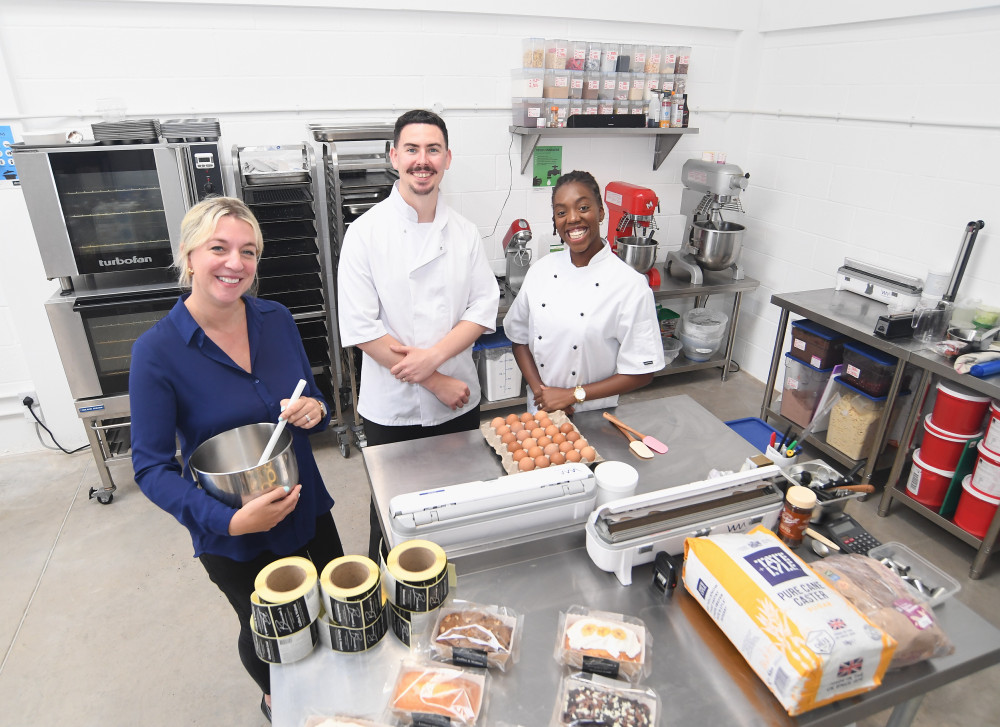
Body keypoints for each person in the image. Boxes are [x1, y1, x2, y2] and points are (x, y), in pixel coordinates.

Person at [129, 197, 343, 723]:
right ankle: (279, 704)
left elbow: (315, 399)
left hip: (306, 504)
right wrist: (229, 520)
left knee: (335, 612)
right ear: (189, 254)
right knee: (271, 635)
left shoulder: (276, 319)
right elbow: (150, 468)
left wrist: (317, 409)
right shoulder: (157, 352)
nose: (235, 263)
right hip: (233, 530)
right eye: (218, 248)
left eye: (248, 252)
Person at [337, 109, 500, 559]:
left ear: (447, 158)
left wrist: (434, 359)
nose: (421, 160)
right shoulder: (364, 234)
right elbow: (362, 328)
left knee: (459, 503)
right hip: (391, 409)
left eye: (432, 150)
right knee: (392, 514)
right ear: (394, 157)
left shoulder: (465, 234)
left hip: (457, 403)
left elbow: (483, 306)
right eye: (412, 149)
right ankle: (385, 611)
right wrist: (434, 379)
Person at [503, 170, 664, 413]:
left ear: (601, 212)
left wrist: (572, 396)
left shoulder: (629, 285)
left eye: (583, 207)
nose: (572, 218)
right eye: (561, 212)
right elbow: (519, 338)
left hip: (595, 414)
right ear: (556, 222)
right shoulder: (540, 272)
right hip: (542, 411)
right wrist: (541, 393)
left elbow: (642, 371)